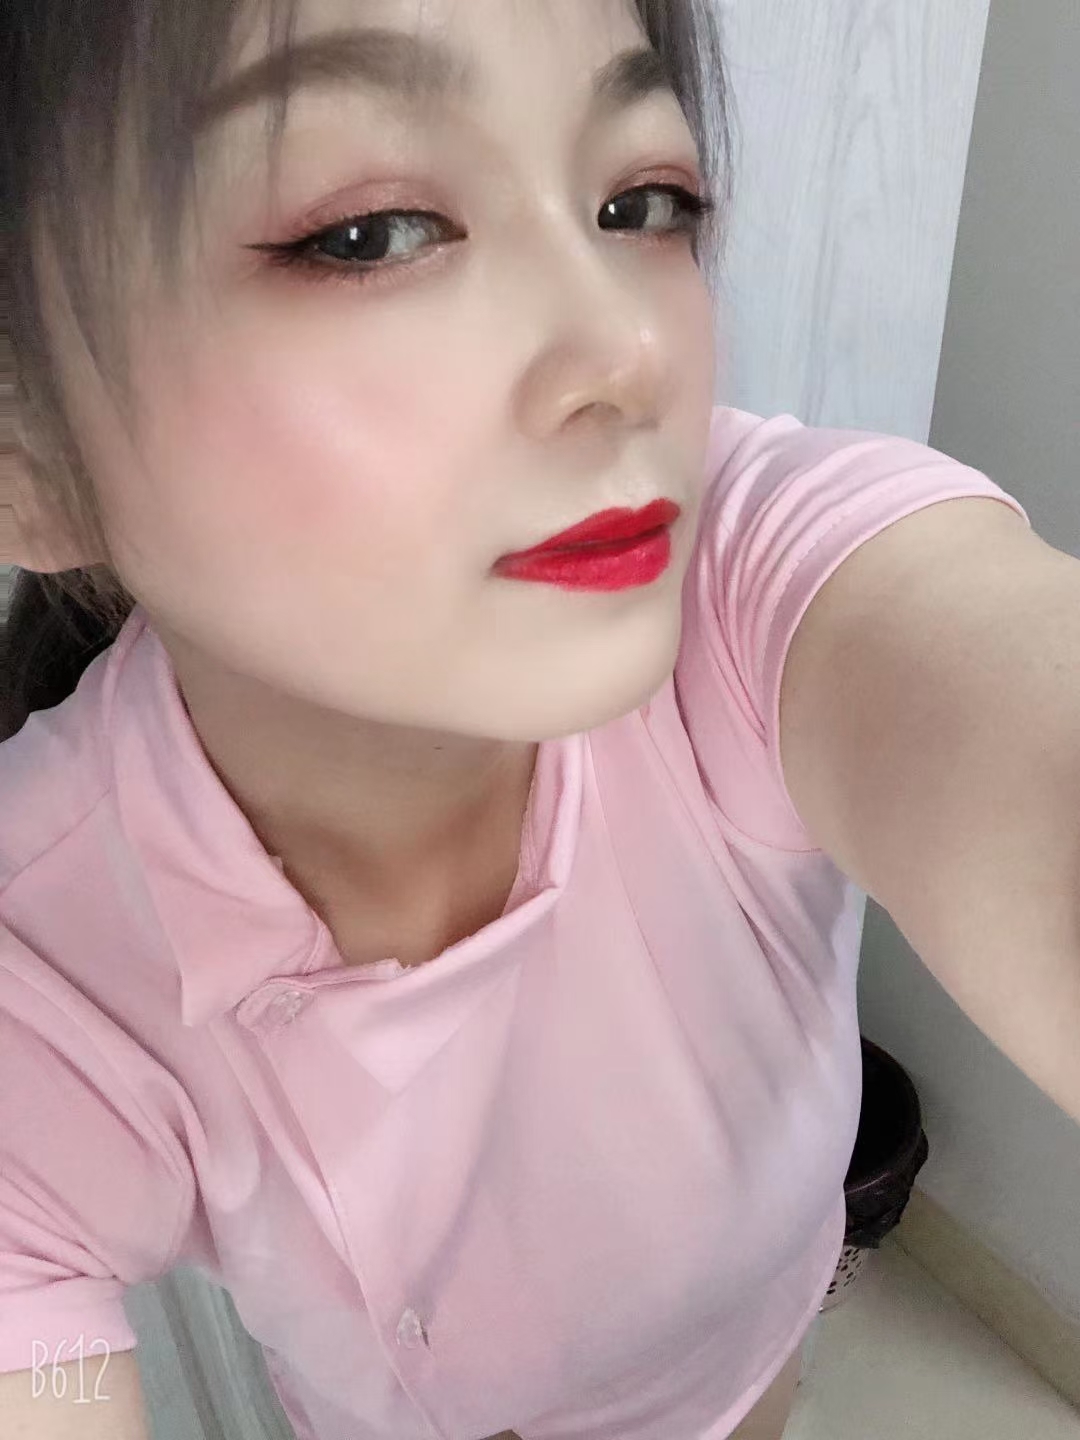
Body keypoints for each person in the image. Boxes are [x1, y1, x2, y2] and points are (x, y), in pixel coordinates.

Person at [0, 0, 1029, 1437]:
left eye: (642, 203)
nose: (626, 350)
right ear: (29, 452)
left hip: (761, 1355)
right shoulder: (43, 962)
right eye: (369, 234)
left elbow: (1003, 701)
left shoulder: (746, 579)